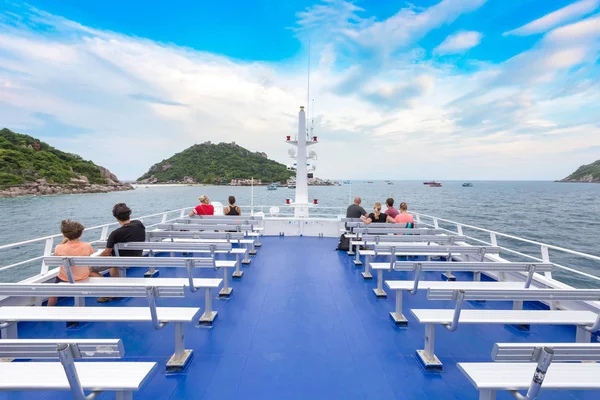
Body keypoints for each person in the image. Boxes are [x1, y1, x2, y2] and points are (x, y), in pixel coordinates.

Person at [95, 203, 146, 303]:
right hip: (137, 257)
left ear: (115, 217)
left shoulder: (115, 233)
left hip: (121, 261)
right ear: (129, 214)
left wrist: (96, 257)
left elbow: (106, 252)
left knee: (90, 269)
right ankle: (116, 289)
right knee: (114, 262)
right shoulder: (139, 224)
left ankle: (109, 291)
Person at [47, 220, 101, 307]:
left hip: (64, 278)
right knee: (90, 271)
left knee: (54, 292)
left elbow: (56, 255)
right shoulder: (86, 246)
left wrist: (63, 243)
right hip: (83, 276)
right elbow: (90, 252)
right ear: (80, 234)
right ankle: (108, 291)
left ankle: (48, 309)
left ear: (64, 235)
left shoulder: (59, 248)